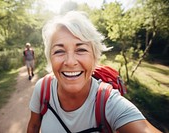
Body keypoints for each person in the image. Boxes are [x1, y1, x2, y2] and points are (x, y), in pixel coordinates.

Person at [27, 11, 162, 133]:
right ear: (50, 58)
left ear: (95, 57)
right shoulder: (43, 88)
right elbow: (33, 126)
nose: (70, 62)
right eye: (59, 51)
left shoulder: (110, 103)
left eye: (81, 50)